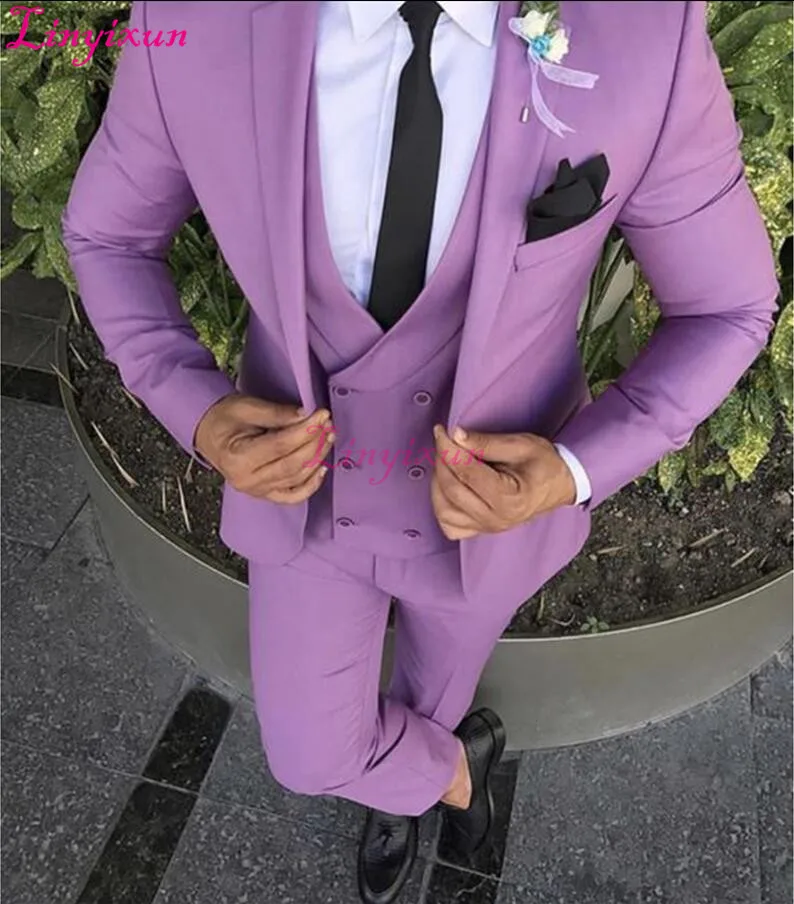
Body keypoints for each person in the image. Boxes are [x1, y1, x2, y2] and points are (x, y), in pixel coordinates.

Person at [62, 2, 779, 901]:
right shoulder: (191, 18)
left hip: (489, 518)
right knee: (310, 753)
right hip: (304, 500)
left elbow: (726, 306)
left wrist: (574, 470)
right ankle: (444, 777)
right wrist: (195, 409)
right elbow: (109, 235)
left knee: (439, 686)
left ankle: (409, 777)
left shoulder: (645, 30)